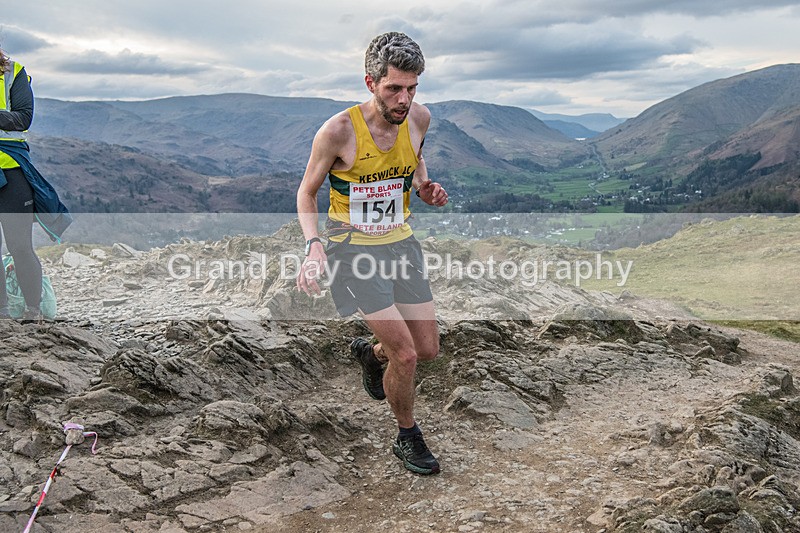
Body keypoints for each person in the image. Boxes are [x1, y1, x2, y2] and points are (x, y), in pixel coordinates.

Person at [296, 32, 448, 475]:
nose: (404, 99)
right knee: (407, 355)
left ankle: (370, 354)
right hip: (353, 251)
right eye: (394, 88)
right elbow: (306, 194)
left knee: (428, 348)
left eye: (412, 87)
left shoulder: (419, 118)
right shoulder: (339, 131)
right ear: (370, 82)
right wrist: (313, 247)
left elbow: (415, 160)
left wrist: (424, 186)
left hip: (401, 243)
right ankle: (407, 437)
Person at [0, 47, 71, 321]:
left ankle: (33, 311)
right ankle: (2, 313)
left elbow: (23, 118)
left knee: (19, 246)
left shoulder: (13, 72)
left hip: (12, 170)